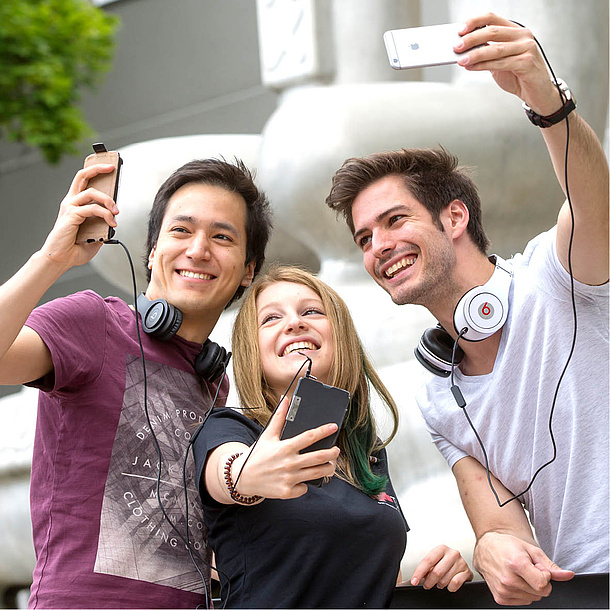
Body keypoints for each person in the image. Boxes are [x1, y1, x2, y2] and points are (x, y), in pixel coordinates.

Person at [325, 13, 609, 607]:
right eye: (364, 238)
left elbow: (591, 200)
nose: (378, 246)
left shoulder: (556, 276)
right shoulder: (439, 393)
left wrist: (544, 99)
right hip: (581, 591)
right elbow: (500, 524)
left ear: (454, 217)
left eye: (395, 220)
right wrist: (492, 550)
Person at [0, 157, 272, 608]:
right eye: (181, 231)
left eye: (222, 237)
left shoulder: (215, 384)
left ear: (247, 269)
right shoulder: (93, 323)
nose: (199, 249)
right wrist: (52, 258)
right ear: (150, 251)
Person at [192, 265, 473, 608]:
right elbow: (226, 471)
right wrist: (246, 475)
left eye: (311, 311)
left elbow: (371, 576)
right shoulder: (230, 428)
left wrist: (437, 574)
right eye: (270, 318)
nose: (294, 323)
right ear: (252, 350)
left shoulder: (366, 453)